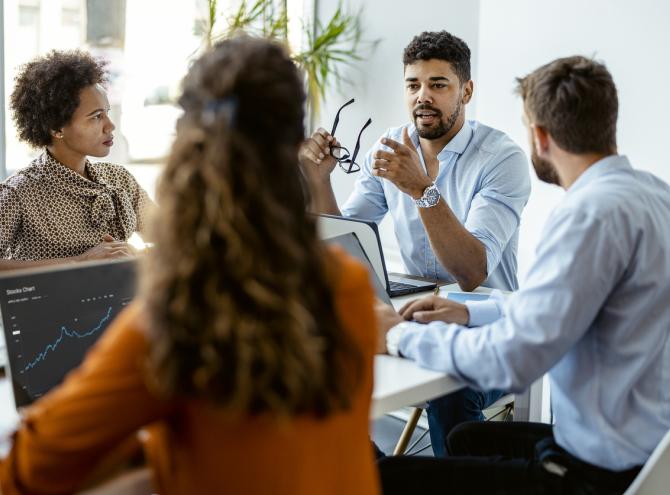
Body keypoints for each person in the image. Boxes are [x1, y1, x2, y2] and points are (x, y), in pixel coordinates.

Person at [0, 37, 380, 495]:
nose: (109, 126)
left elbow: (27, 470)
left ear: (188, 151)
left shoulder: (173, 322)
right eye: (95, 115)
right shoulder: (350, 285)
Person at [376, 55, 670, 494]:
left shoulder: (589, 216)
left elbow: (511, 362)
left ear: (540, 136)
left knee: (383, 475)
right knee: (465, 438)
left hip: (594, 475)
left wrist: (397, 337)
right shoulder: (653, 194)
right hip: (644, 448)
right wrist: (469, 314)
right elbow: (560, 308)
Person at [301, 30, 531, 456]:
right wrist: (319, 181)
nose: (423, 96)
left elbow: (471, 272)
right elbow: (345, 240)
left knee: (450, 393)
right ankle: (369, 468)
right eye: (413, 85)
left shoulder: (503, 159)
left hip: (489, 322)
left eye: (438, 85)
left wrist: (422, 190)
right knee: (322, 358)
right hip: (413, 313)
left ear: (466, 90)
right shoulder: (389, 148)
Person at [0, 50, 154, 269]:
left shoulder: (119, 179)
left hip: (125, 302)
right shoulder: (19, 193)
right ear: (56, 128)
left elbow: (171, 234)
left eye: (107, 113)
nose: (110, 126)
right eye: (96, 116)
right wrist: (78, 262)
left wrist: (136, 254)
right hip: (55, 304)